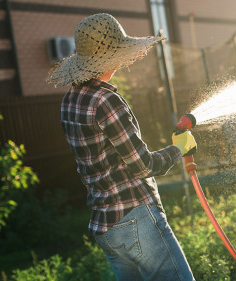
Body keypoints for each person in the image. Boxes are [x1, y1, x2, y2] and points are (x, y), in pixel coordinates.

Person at [47, 13, 196, 281]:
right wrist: (179, 149)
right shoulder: (106, 100)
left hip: (106, 227)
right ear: (114, 55)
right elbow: (144, 166)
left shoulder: (70, 100)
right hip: (136, 217)